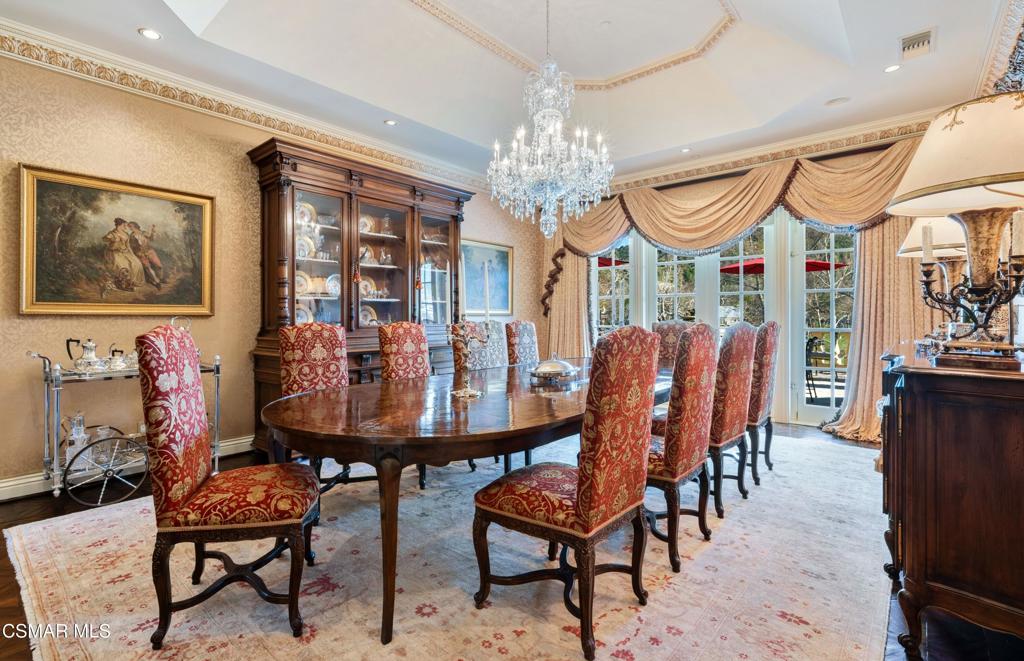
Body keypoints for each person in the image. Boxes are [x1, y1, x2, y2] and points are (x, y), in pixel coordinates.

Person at [102, 218, 145, 291]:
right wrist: (113, 239)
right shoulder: (112, 233)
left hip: (125, 252)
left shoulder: (126, 234)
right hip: (114, 253)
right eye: (124, 225)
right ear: (119, 225)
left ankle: (132, 282)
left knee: (137, 264)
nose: (126, 227)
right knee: (124, 265)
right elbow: (104, 239)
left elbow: (128, 246)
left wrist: (132, 255)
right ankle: (124, 284)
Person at [128, 221, 166, 289]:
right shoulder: (131, 236)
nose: (130, 228)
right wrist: (136, 253)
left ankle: (161, 278)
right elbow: (131, 247)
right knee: (148, 268)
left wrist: (153, 231)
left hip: (149, 252)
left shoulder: (143, 233)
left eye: (131, 226)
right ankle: (157, 282)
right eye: (129, 227)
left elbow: (151, 239)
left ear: (135, 226)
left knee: (159, 266)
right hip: (140, 254)